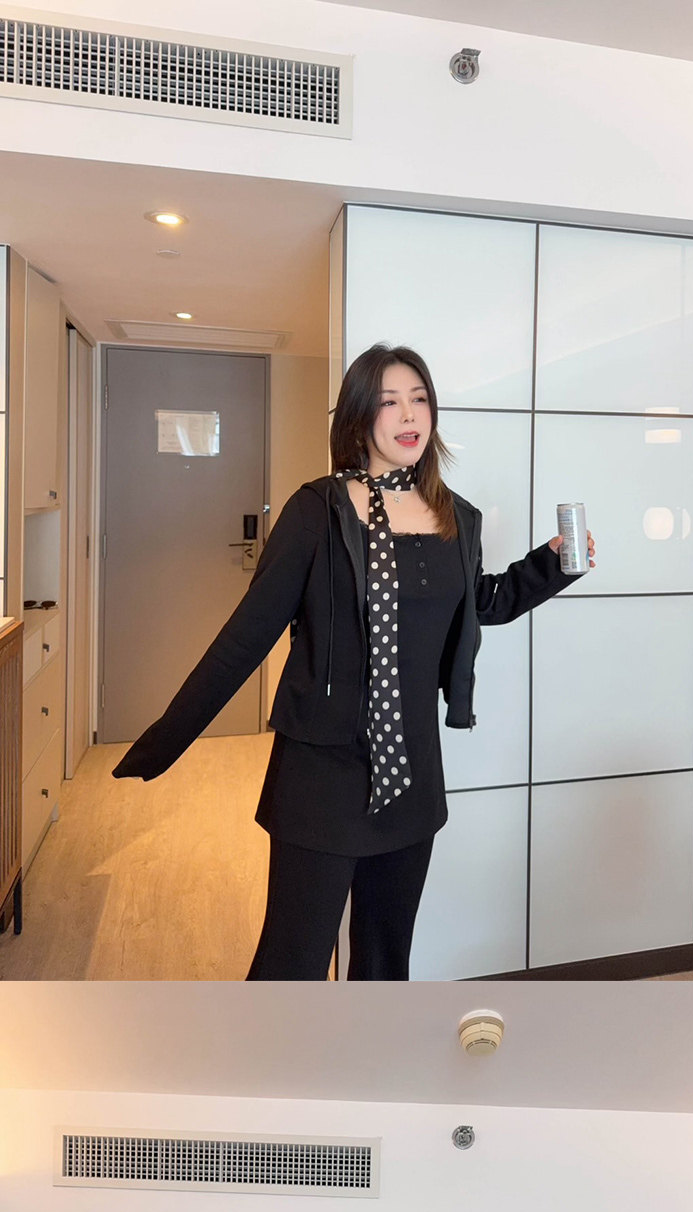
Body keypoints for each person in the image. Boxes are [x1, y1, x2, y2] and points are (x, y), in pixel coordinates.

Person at [112, 342, 595, 980]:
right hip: (322, 776)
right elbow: (248, 634)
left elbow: (481, 602)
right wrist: (164, 740)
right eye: (390, 401)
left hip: (411, 776)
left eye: (419, 399)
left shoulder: (456, 516)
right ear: (359, 416)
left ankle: (371, 1047)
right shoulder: (317, 510)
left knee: (385, 961)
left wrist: (551, 566)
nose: (409, 414)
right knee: (292, 965)